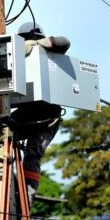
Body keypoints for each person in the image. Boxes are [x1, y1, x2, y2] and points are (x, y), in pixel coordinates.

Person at [11, 22, 70, 207]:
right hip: (28, 113)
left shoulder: (49, 52)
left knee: (33, 153)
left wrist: (38, 44)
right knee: (3, 136)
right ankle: (13, 189)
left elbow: (64, 42)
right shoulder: (15, 55)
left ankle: (25, 199)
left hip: (46, 116)